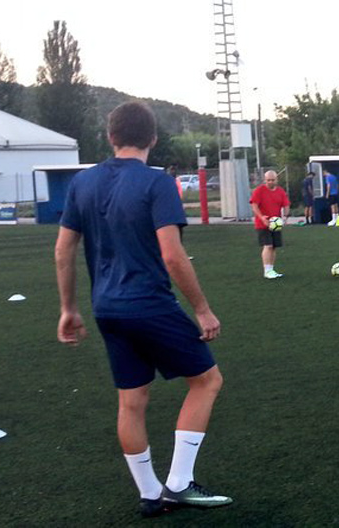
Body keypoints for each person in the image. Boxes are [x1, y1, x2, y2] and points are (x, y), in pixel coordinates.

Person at [54, 102, 231, 518]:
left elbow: (63, 249)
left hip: (106, 310)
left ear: (110, 137)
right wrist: (202, 310)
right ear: (153, 138)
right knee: (207, 381)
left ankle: (150, 493)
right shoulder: (156, 183)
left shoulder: (82, 182)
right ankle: (179, 483)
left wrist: (67, 308)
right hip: (148, 304)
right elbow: (172, 256)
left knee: (131, 401)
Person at [250, 170, 290, 279]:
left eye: (272, 180)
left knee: (274, 247)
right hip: (263, 224)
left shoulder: (281, 191)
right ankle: (266, 271)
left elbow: (286, 205)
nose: (270, 182)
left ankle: (271, 269)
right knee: (268, 246)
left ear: (276, 180)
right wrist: (262, 217)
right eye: (268, 180)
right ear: (264, 180)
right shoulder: (259, 190)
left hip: (276, 224)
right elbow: (254, 205)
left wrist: (285, 217)